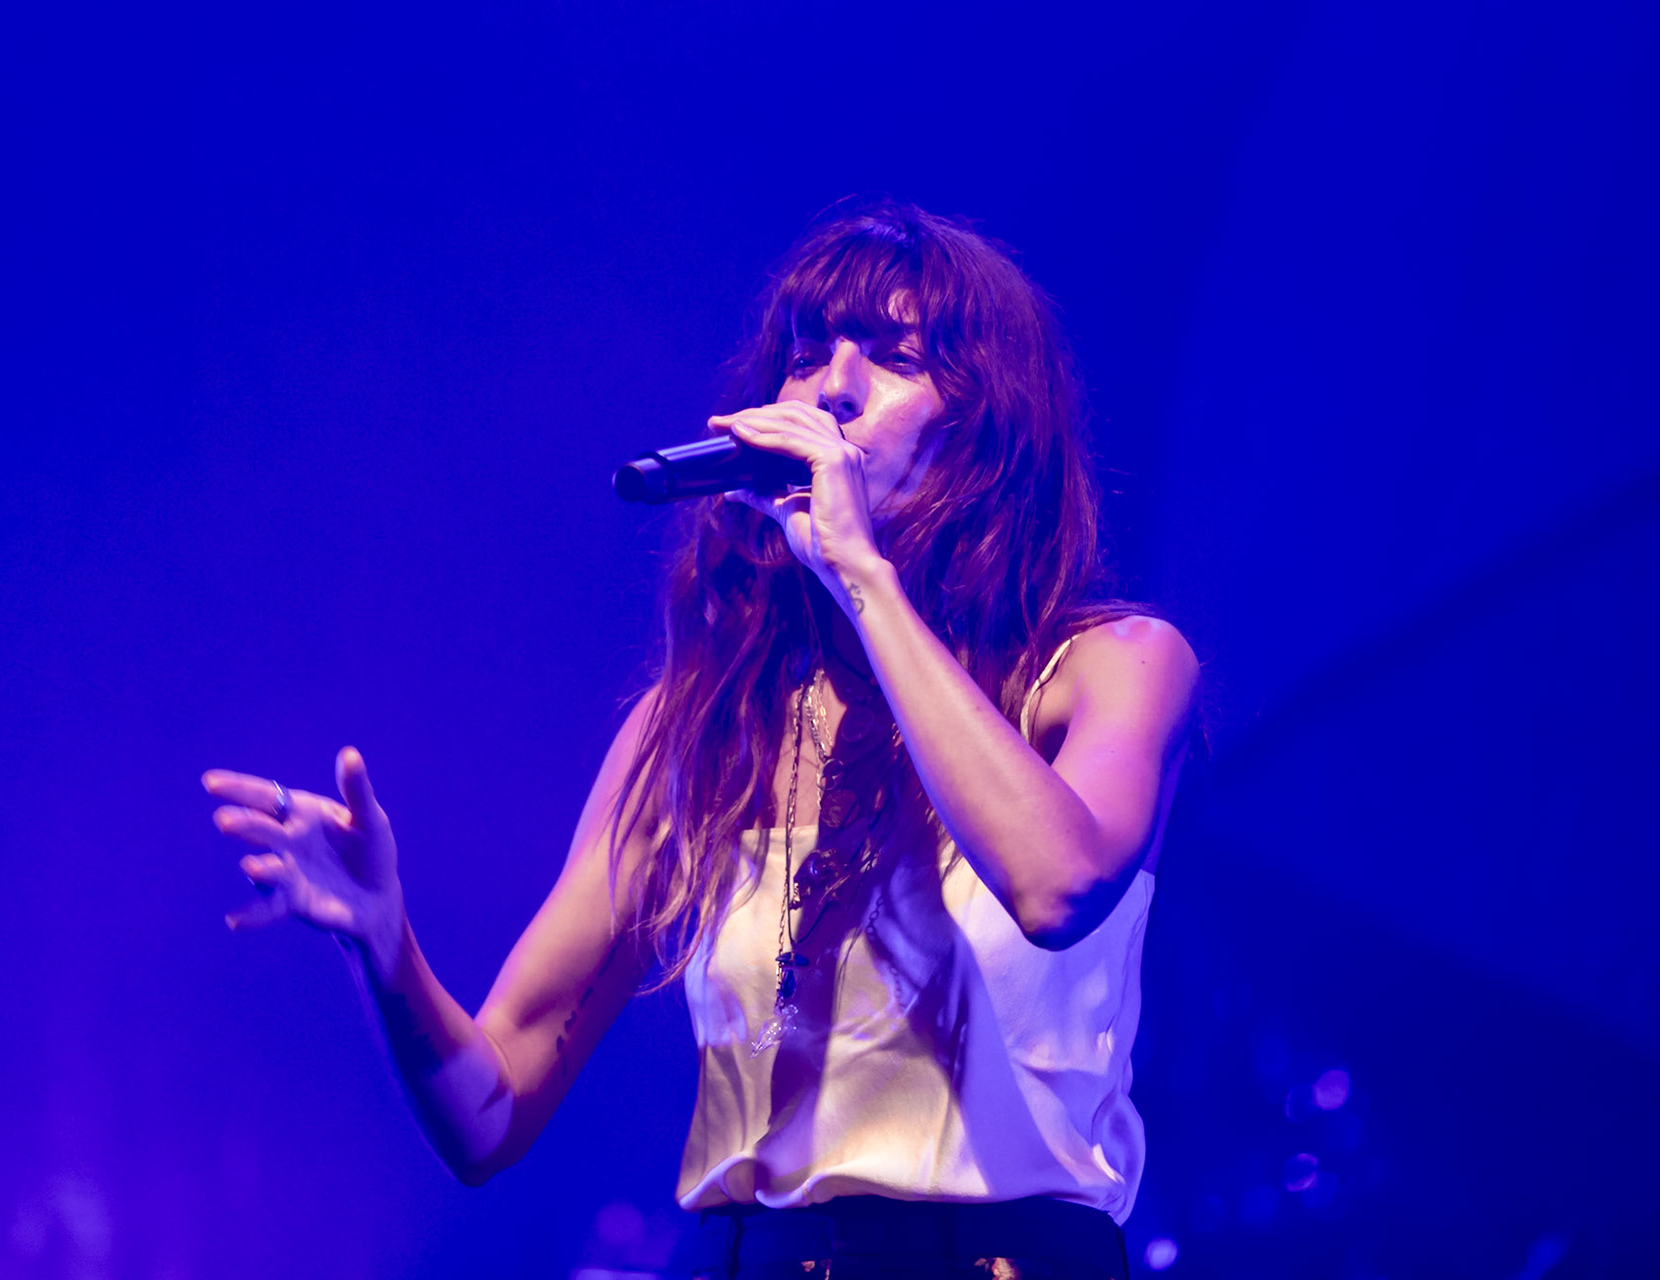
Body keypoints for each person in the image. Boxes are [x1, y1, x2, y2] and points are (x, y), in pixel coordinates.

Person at [204, 202, 1199, 1279]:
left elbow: (1057, 886)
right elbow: (486, 1116)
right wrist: (387, 947)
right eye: (809, 355)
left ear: (989, 425)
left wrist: (863, 573)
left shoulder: (1111, 665)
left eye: (894, 358)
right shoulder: (700, 726)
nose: (834, 387)